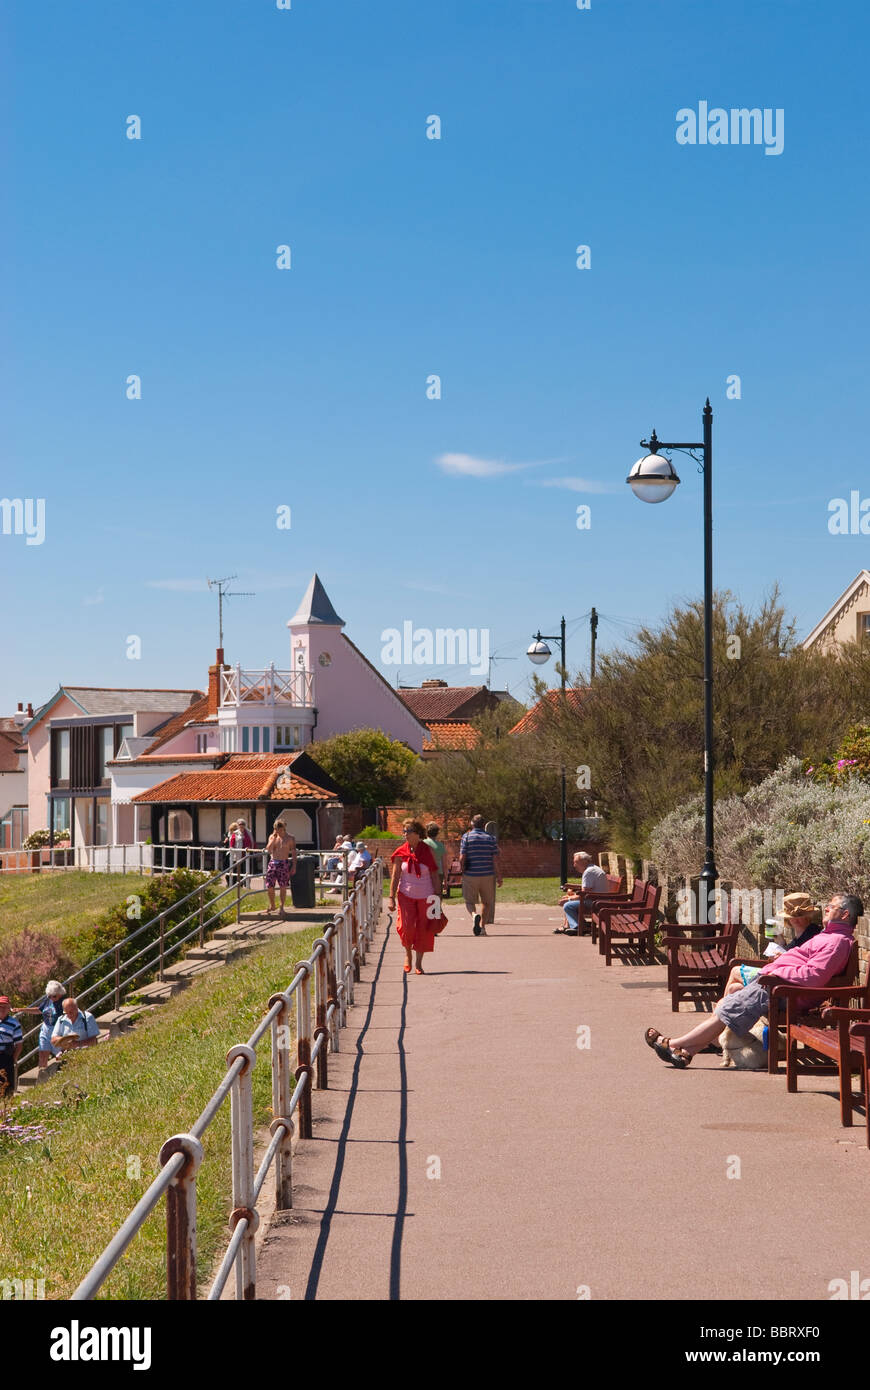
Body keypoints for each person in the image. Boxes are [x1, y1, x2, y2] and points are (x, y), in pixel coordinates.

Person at [645, 893, 864, 1067]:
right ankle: (687, 1052)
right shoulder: (829, 936)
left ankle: (675, 1044)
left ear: (845, 915)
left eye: (831, 907)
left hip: (786, 991)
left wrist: (775, 973)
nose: (825, 909)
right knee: (730, 1001)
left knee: (729, 1006)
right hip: (779, 986)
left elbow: (814, 977)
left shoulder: (835, 942)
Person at [720, 891, 823, 995]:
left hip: (784, 980)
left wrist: (783, 956)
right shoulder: (800, 934)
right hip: (779, 977)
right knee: (734, 988)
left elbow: (803, 962)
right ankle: (721, 1008)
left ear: (808, 916)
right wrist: (781, 942)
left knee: (735, 971)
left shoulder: (812, 933)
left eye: (799, 915)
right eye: (792, 915)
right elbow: (790, 953)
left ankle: (720, 1009)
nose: (795, 919)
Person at [388, 820, 442, 974]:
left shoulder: (428, 851)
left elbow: (434, 874)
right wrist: (391, 897)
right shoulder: (400, 852)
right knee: (406, 927)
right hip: (405, 895)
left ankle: (418, 963)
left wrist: (438, 897)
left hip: (426, 895)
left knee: (424, 930)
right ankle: (407, 954)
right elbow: (395, 875)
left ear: (418, 833)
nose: (405, 834)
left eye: (408, 831)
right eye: (404, 831)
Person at [459, 814, 502, 936]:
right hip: (487, 875)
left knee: (469, 901)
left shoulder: (466, 837)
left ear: (472, 824)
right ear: (484, 825)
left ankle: (474, 915)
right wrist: (499, 876)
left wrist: (462, 870)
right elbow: (495, 859)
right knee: (487, 902)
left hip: (470, 874)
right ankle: (482, 927)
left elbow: (462, 857)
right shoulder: (490, 838)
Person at [554, 852, 611, 934]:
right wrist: (570, 897)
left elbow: (585, 893)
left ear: (584, 861)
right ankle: (571, 925)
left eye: (576, 862)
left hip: (596, 903)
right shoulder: (592, 869)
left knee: (568, 905)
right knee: (569, 901)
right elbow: (586, 890)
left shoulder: (589, 872)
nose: (574, 865)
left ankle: (577, 927)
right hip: (598, 899)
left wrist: (569, 898)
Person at [17, 979, 66, 1068]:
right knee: (42, 1054)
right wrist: (22, 1010)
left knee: (60, 1055)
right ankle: (42, 1075)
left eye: (54, 996)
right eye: (49, 996)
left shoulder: (65, 1002)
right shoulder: (48, 999)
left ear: (60, 993)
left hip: (58, 1030)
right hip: (46, 1029)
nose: (51, 998)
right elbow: (39, 1010)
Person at [264, 819, 296, 917]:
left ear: (284, 828)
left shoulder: (290, 838)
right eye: (276, 828)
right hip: (273, 862)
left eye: (279, 828)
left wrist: (294, 866)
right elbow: (268, 850)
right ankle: (273, 905)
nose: (278, 830)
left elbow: (294, 853)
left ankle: (281, 907)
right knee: (269, 886)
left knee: (283, 886)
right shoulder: (272, 837)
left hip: (284, 863)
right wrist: (273, 839)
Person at [0, 995, 23, 1098]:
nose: (2, 1009)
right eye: (0, 1006)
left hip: (6, 1056)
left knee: (7, 1084)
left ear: (9, 1008)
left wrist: (14, 1059)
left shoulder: (14, 1023)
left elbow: (19, 1045)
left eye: (5, 1006)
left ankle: (7, 1106)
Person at [423, 823, 446, 892]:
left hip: (425, 873)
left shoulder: (422, 844)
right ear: (437, 833)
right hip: (439, 873)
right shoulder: (441, 845)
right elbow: (444, 864)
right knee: (437, 897)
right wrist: (446, 879)